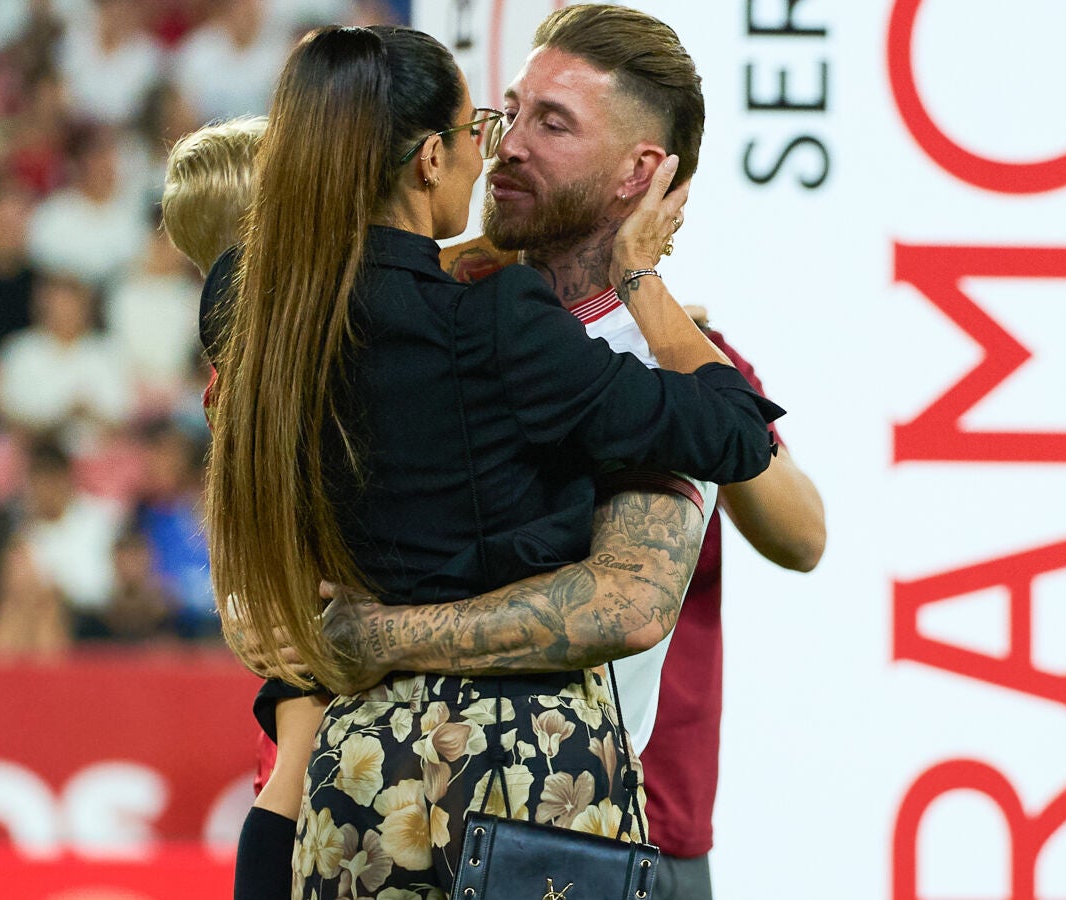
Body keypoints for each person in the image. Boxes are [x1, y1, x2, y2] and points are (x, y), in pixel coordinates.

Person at [204, 24, 780, 899]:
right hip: (521, 775)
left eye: (547, 121)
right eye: (492, 121)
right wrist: (639, 276)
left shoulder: (255, 306)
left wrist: (357, 636)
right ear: (430, 158)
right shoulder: (501, 320)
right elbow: (732, 439)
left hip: (346, 781)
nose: (502, 146)